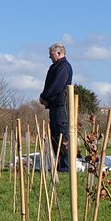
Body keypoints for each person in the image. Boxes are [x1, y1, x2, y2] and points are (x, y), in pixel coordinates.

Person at [40, 43, 73, 173]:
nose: (49, 56)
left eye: (51, 54)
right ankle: (59, 165)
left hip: (60, 106)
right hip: (54, 105)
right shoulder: (56, 66)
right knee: (55, 135)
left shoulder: (63, 67)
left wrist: (45, 96)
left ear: (59, 53)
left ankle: (65, 166)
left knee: (62, 135)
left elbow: (56, 86)